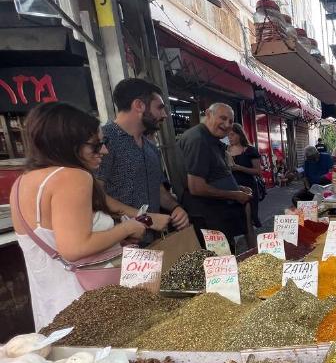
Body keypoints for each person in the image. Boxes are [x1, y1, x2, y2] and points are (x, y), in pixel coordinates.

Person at [11, 103, 147, 329]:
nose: (104, 151)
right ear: (67, 143)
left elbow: (56, 239)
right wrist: (128, 228)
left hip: (51, 311)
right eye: (96, 145)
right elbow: (74, 248)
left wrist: (113, 238)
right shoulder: (73, 177)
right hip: (86, 310)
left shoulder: (22, 182)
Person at [98, 79, 190, 237]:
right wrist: (146, 219)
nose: (165, 115)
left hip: (154, 241)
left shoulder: (150, 147)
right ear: (139, 105)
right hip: (119, 246)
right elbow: (95, 196)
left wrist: (176, 208)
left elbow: (158, 189)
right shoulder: (104, 141)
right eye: (160, 108)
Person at [178, 103, 253, 251]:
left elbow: (213, 176)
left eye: (231, 121)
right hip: (208, 218)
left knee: (226, 258)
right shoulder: (198, 140)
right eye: (223, 118)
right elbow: (196, 187)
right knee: (220, 263)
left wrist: (237, 188)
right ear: (208, 114)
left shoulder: (210, 138)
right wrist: (235, 195)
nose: (227, 125)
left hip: (217, 215)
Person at [228, 123, 263, 228]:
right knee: (236, 220)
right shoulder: (226, 150)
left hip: (249, 187)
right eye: (228, 135)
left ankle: (253, 242)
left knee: (250, 220)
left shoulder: (250, 150)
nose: (230, 138)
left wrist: (239, 168)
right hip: (233, 188)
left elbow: (258, 171)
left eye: (232, 135)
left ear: (240, 134)